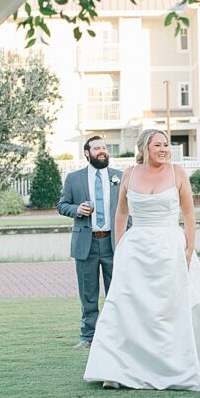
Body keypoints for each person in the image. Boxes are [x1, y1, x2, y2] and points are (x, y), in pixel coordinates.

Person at [83, 129, 200, 390]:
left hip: (171, 245)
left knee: (178, 305)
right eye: (158, 144)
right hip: (136, 249)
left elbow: (189, 215)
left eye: (166, 145)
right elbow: (121, 214)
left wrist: (188, 250)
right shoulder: (129, 174)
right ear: (144, 148)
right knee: (126, 306)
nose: (163, 149)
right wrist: (120, 248)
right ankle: (117, 368)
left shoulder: (178, 173)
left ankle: (185, 364)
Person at [58, 136, 125, 349]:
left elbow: (127, 211)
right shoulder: (74, 178)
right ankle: (88, 337)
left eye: (104, 147)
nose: (102, 151)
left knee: (117, 292)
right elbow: (62, 205)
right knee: (88, 294)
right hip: (85, 243)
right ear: (87, 153)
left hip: (113, 243)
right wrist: (76, 210)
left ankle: (117, 335)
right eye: (97, 148)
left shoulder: (119, 177)